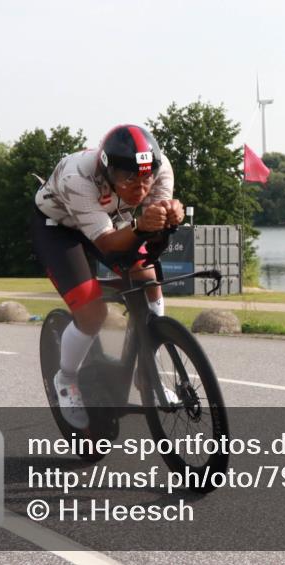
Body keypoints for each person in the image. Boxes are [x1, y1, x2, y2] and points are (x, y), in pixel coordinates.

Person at [31, 124, 184, 429]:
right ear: (107, 170)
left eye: (145, 178)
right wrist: (141, 226)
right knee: (92, 312)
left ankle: (146, 372)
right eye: (128, 179)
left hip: (110, 219)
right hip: (59, 227)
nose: (140, 187)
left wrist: (169, 215)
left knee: (148, 278)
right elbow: (107, 244)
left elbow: (152, 225)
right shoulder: (79, 177)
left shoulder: (161, 166)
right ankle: (67, 378)